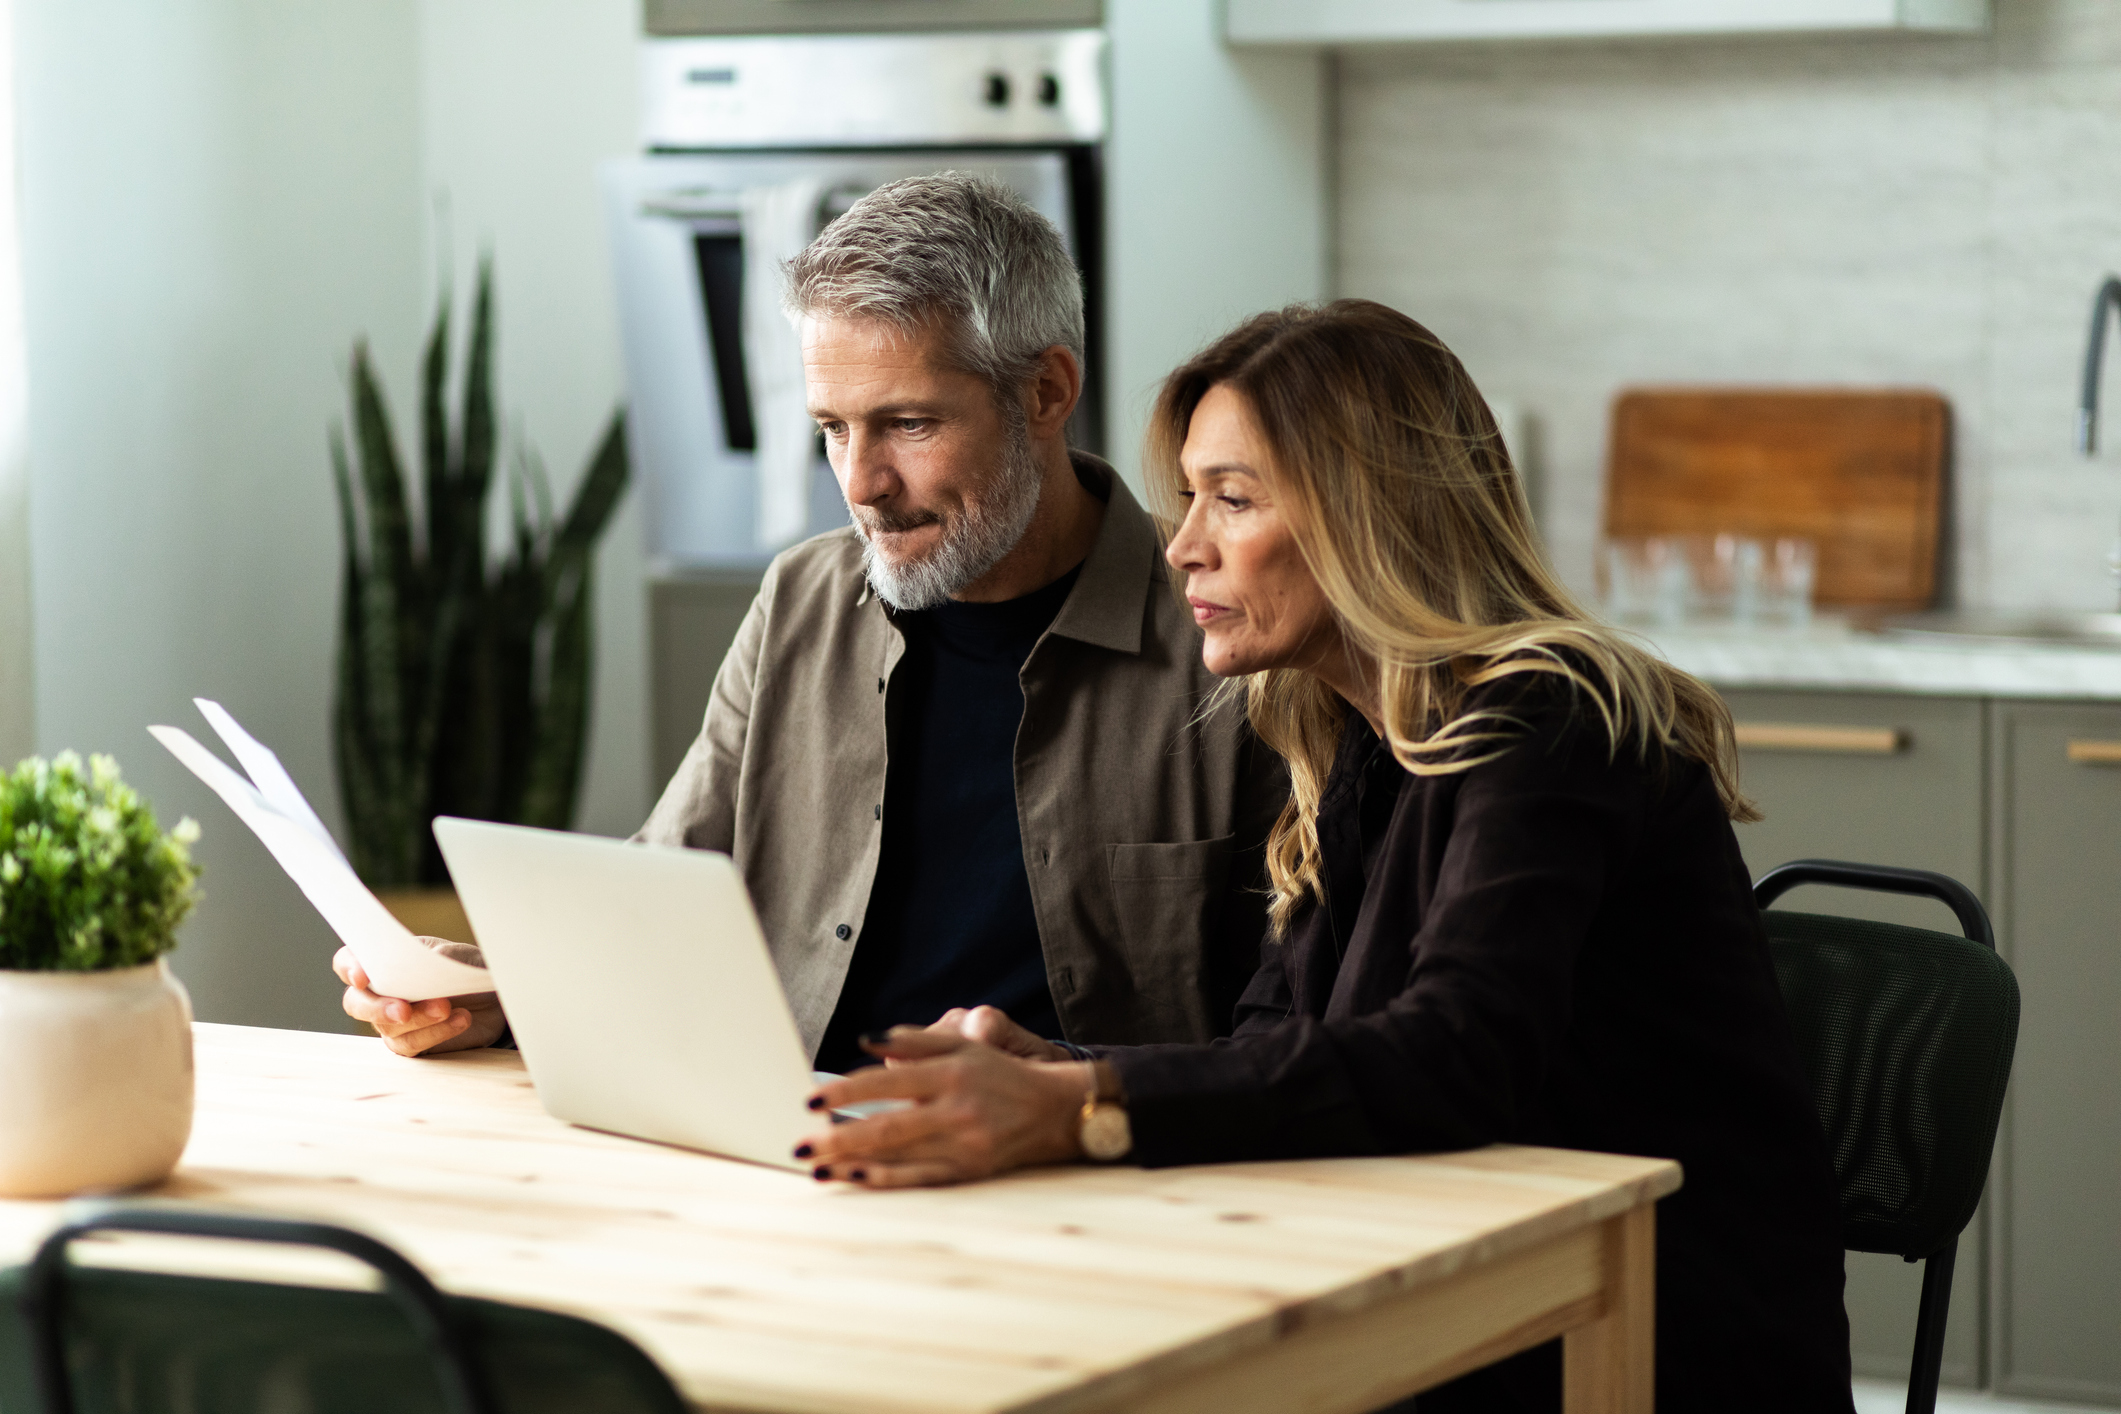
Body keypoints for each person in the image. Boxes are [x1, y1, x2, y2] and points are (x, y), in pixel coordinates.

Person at [793, 300, 1856, 1414]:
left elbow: (1452, 1056)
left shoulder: (1551, 720)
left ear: (1371, 519)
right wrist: (1057, 1068)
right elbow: (1275, 1040)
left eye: (1234, 498)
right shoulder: (1355, 736)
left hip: (1634, 1332)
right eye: (1192, 494)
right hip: (1459, 1292)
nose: (1183, 543)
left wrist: (1085, 1107)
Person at [335, 172, 1286, 1070]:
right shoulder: (801, 598)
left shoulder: (1234, 638)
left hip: (1087, 1179)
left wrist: (1075, 1093)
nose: (862, 483)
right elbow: (660, 898)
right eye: (832, 428)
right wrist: (496, 988)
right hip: (789, 1160)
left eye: (908, 425)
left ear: (1045, 391)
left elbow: (1293, 1028)